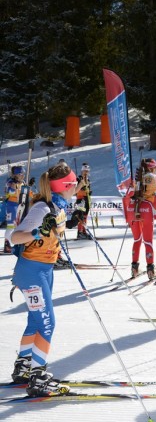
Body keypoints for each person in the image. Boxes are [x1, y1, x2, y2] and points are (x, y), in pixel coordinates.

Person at [9, 162, 83, 396]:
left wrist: (71, 222)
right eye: (75, 185)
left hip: (44, 270)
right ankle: (39, 378)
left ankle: (24, 368)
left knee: (35, 321)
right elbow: (14, 237)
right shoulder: (43, 207)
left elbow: (54, 229)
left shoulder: (59, 206)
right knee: (47, 323)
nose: (77, 189)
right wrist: (36, 232)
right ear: (66, 186)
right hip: (32, 272)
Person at [123, 158, 156, 279]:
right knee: (148, 241)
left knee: (137, 239)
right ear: (151, 168)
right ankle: (150, 270)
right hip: (146, 207)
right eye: (155, 168)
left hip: (132, 207)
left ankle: (134, 269)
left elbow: (128, 194)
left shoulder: (136, 177)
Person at [4, 166, 26, 252]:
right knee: (11, 225)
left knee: (19, 225)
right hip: (11, 206)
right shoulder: (10, 182)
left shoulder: (22, 182)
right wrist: (14, 185)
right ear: (16, 175)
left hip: (20, 206)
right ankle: (7, 244)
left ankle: (16, 242)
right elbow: (11, 191)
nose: (22, 176)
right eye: (21, 174)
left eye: (23, 174)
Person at [74, 163, 92, 239]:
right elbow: (75, 190)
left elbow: (88, 189)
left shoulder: (88, 179)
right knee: (80, 216)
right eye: (85, 171)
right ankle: (80, 232)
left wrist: (89, 192)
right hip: (80, 199)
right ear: (82, 171)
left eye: (87, 171)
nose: (86, 172)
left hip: (86, 199)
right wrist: (82, 190)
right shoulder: (79, 179)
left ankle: (84, 231)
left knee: (85, 216)